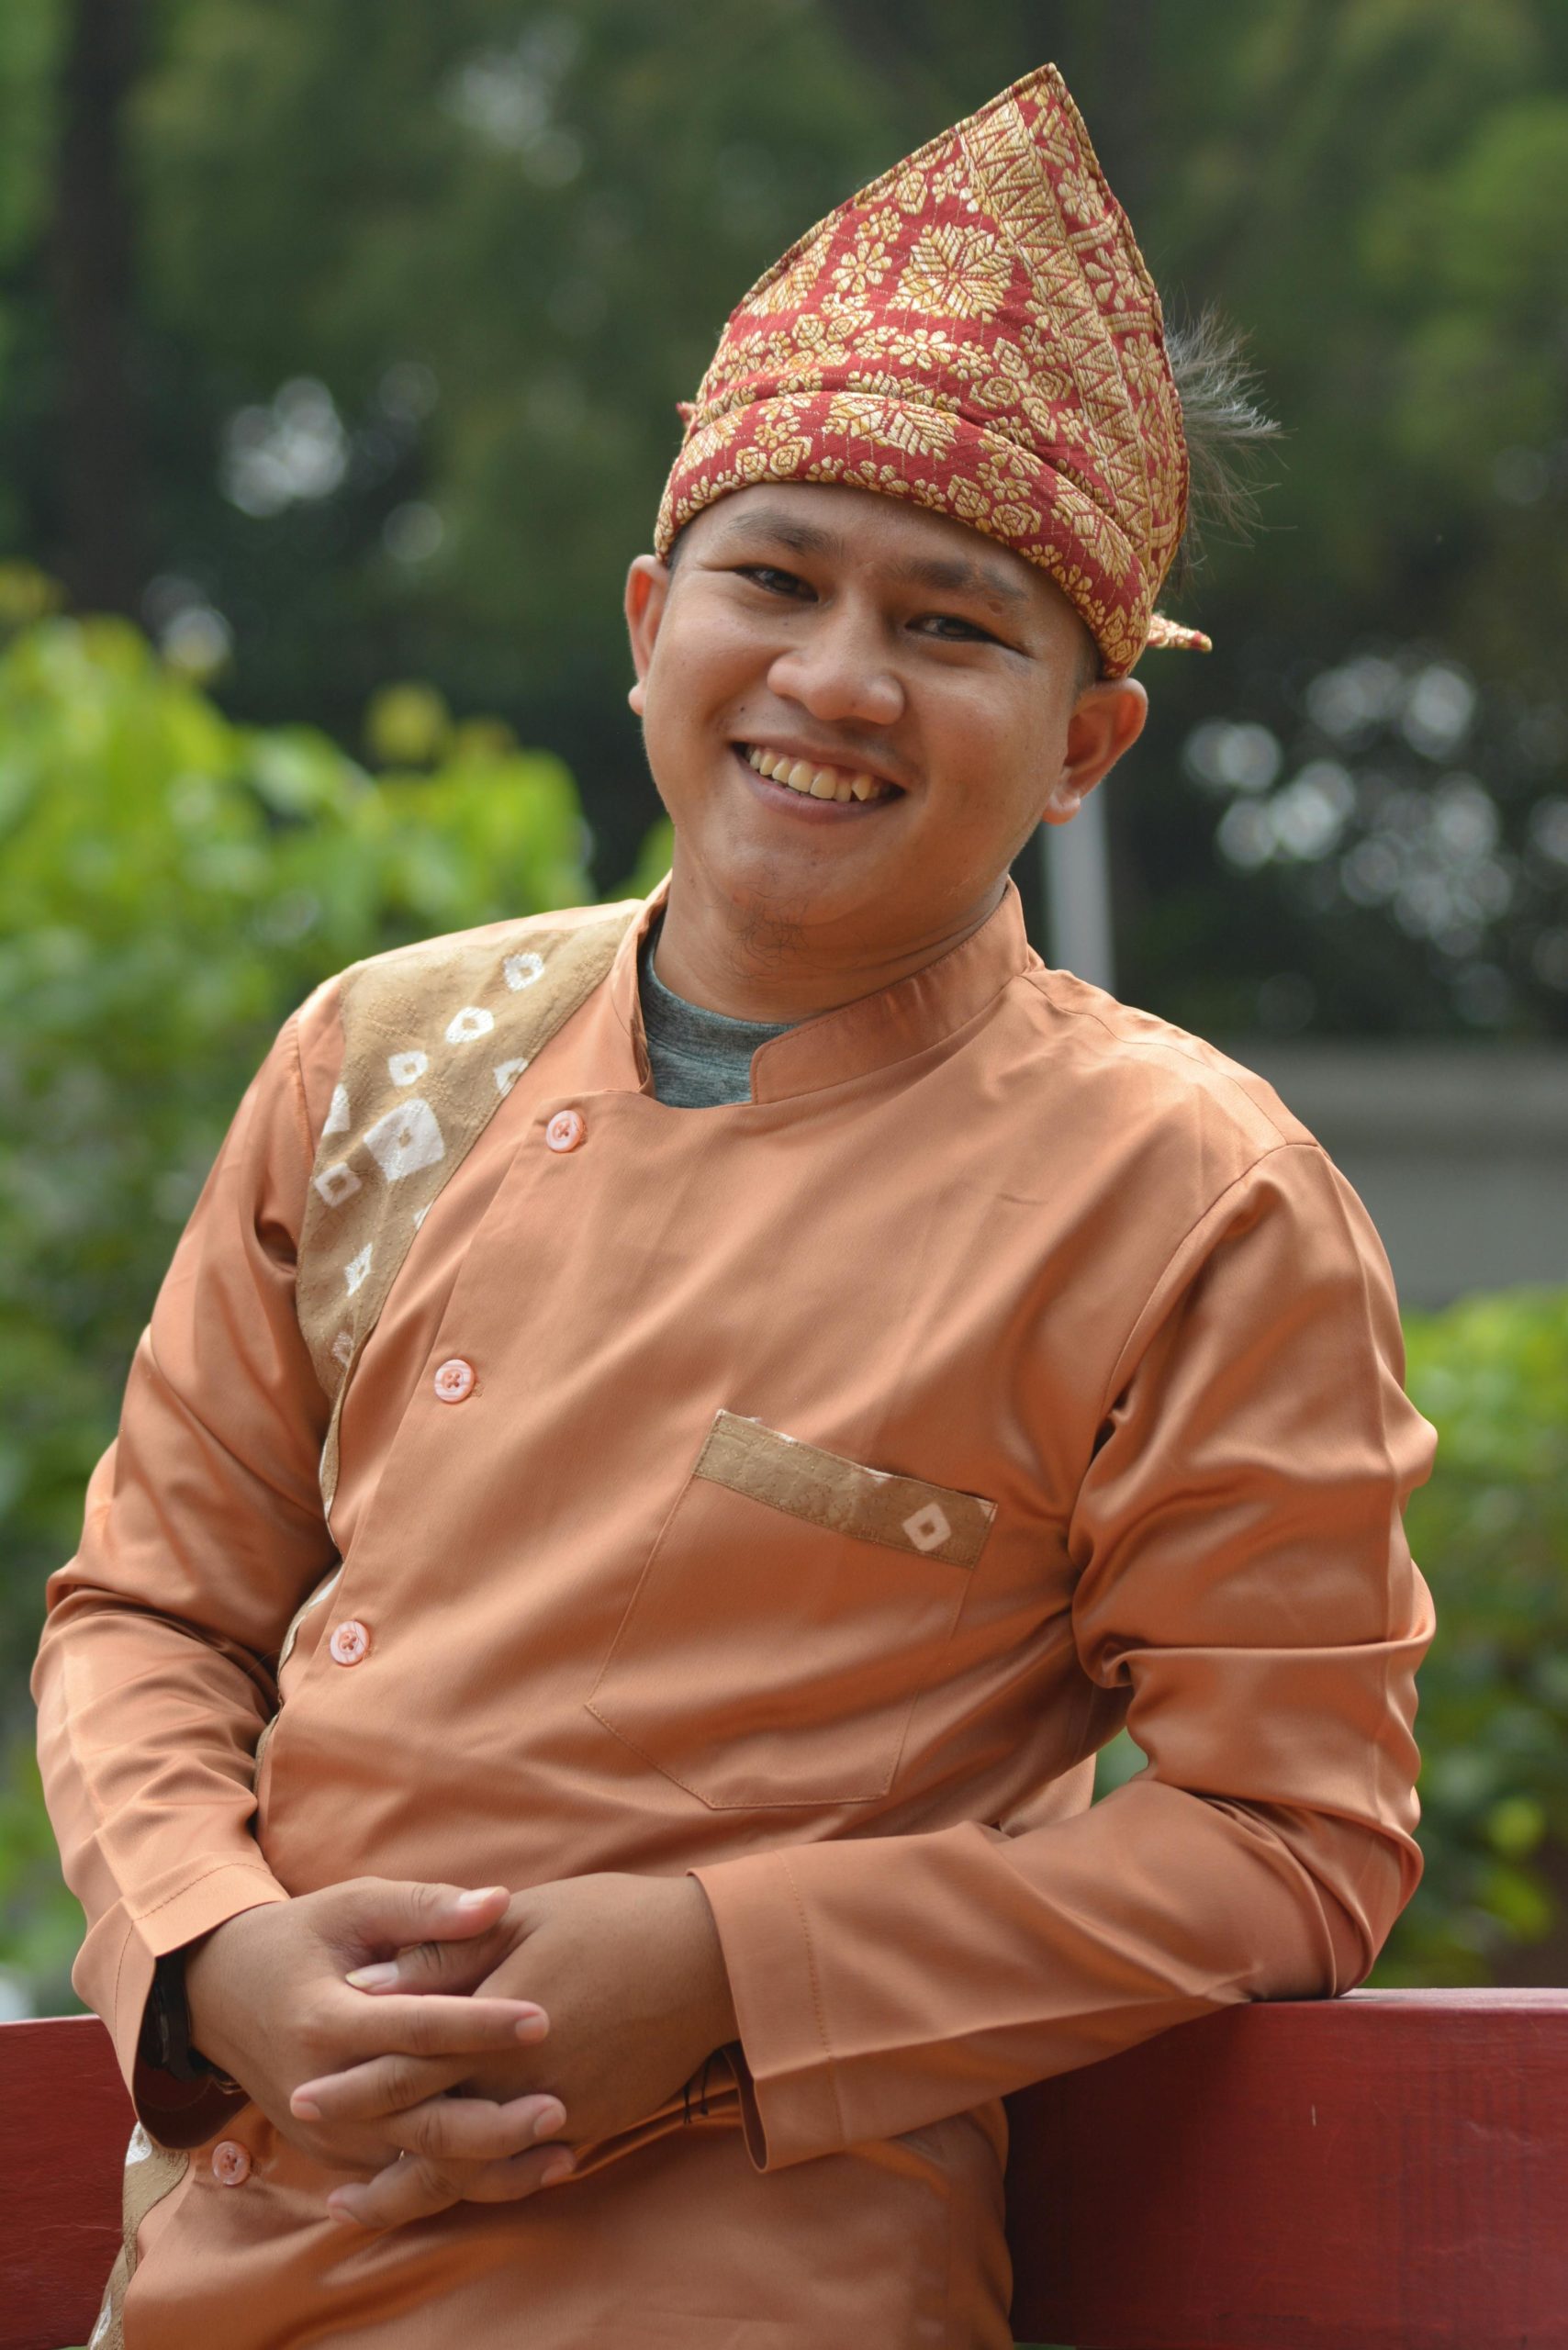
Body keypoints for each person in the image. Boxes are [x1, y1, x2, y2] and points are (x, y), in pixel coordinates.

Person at [35, 61, 1435, 2350]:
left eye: (952, 626)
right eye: (769, 578)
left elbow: (1293, 1834)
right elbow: (147, 1614)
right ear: (643, 616)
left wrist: (723, 1972)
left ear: (1085, 740)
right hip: (222, 2275)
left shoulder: (1181, 1192)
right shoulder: (383, 1062)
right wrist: (207, 1946)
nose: (830, 678)